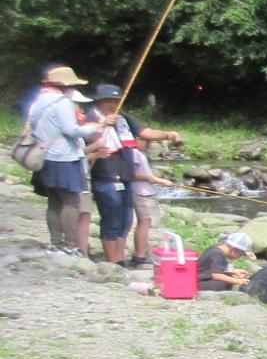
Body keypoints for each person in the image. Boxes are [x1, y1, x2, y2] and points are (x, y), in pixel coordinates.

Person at [86, 83, 182, 266]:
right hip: (105, 177)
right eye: (108, 101)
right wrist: (102, 125)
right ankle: (111, 262)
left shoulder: (123, 118)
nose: (113, 105)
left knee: (126, 221)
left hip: (125, 177)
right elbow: (87, 134)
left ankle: (120, 260)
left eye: (116, 101)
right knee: (112, 221)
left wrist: (167, 135)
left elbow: (145, 132)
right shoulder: (91, 116)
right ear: (99, 101)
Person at [25, 76, 94, 256]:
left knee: (54, 201)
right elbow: (71, 130)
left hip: (44, 156)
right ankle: (71, 246)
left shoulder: (39, 101)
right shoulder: (62, 102)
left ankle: (55, 243)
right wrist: (96, 127)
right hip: (64, 157)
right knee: (71, 202)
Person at [125, 140, 170, 266]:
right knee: (144, 222)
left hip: (146, 191)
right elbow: (131, 174)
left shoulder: (140, 153)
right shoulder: (134, 153)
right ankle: (139, 256)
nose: (148, 144)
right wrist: (156, 180)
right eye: (145, 141)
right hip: (140, 192)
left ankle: (144, 253)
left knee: (146, 222)